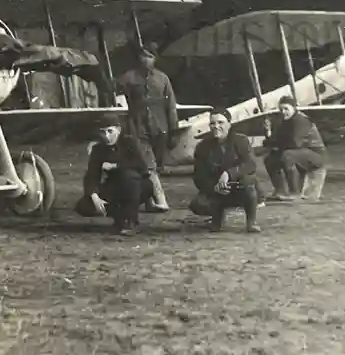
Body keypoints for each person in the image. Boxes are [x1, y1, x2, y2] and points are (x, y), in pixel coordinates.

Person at [114, 42, 178, 212]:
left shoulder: (163, 78)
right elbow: (117, 101)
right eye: (143, 56)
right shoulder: (128, 78)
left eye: (150, 56)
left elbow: (171, 105)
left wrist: (174, 130)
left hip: (159, 127)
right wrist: (123, 127)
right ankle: (161, 198)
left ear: (155, 59)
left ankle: (149, 200)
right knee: (148, 164)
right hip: (137, 126)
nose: (146, 60)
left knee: (155, 165)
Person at [74, 113, 155, 236]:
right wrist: (94, 196)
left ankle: (130, 221)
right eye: (102, 132)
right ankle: (121, 216)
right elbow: (91, 175)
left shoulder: (130, 143)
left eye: (110, 131)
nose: (106, 136)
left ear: (118, 130)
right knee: (84, 205)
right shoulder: (98, 149)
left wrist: (116, 166)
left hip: (137, 187)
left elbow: (141, 167)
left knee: (129, 177)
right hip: (114, 187)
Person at [188, 109, 262, 233]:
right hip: (217, 189)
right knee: (197, 204)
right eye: (212, 123)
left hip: (240, 186)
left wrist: (229, 173)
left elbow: (250, 164)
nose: (216, 127)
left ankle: (251, 222)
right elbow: (198, 176)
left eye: (220, 123)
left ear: (229, 124)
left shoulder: (241, 141)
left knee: (248, 183)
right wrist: (213, 187)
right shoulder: (202, 146)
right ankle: (217, 219)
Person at [263, 95, 328, 202]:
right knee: (270, 159)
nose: (283, 112)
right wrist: (268, 133)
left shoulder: (301, 120)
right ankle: (280, 191)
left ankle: (295, 192)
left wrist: (274, 144)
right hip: (300, 153)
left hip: (315, 154)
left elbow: (294, 143)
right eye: (281, 109)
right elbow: (272, 141)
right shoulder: (284, 121)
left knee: (287, 155)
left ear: (294, 108)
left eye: (286, 109)